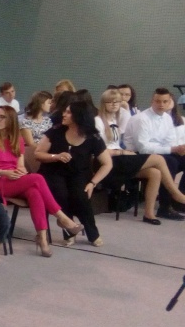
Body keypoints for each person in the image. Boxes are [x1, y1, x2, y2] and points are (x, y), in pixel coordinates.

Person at [0, 106, 84, 257]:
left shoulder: (17, 140)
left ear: (11, 120)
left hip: (14, 179)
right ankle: (62, 218)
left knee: (34, 192)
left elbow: (20, 165)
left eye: (2, 117)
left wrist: (21, 171)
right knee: (38, 178)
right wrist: (4, 172)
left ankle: (42, 239)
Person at [96, 88, 185, 224]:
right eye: (110, 102)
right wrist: (122, 152)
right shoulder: (99, 121)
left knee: (155, 172)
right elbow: (100, 149)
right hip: (113, 158)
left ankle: (149, 214)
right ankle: (175, 195)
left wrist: (176, 149)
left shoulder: (115, 119)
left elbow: (170, 141)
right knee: (163, 160)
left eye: (117, 102)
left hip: (125, 156)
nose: (114, 105)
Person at [36, 100, 112, 246]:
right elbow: (38, 154)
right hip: (53, 171)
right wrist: (56, 156)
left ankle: (92, 233)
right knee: (61, 193)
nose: (64, 114)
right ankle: (69, 231)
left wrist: (93, 183)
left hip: (78, 173)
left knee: (81, 196)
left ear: (79, 116)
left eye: (68, 112)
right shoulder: (55, 131)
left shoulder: (93, 137)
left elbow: (107, 164)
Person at [123, 88, 185, 220]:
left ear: (170, 102)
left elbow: (170, 141)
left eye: (165, 101)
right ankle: (165, 207)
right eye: (158, 101)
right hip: (136, 155)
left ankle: (180, 201)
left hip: (159, 152)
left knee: (180, 158)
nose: (161, 104)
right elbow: (144, 148)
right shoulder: (141, 119)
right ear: (152, 101)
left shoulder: (167, 118)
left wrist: (178, 149)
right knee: (171, 162)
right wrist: (172, 149)